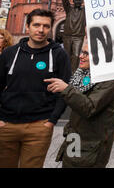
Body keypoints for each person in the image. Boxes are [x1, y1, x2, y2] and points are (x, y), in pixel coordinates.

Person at [0, 9, 71, 168]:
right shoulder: (9, 53)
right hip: (6, 125)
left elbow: (66, 90)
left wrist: (51, 121)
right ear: (28, 26)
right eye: (36, 25)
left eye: (46, 26)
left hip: (39, 126)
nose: (41, 30)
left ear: (51, 28)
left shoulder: (59, 55)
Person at [45, 41, 114, 168]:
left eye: (86, 53)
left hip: (92, 145)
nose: (81, 56)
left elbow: (89, 108)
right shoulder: (81, 75)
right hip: (74, 137)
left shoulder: (108, 81)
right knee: (68, 164)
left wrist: (66, 89)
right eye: (81, 52)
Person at [62, 0, 86, 73]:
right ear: (73, 0)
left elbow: (92, 1)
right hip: (67, 36)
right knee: (66, 55)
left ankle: (73, 73)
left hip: (78, 37)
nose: (78, 1)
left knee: (76, 56)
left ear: (82, 1)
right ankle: (65, 72)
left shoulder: (84, 11)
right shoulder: (69, 9)